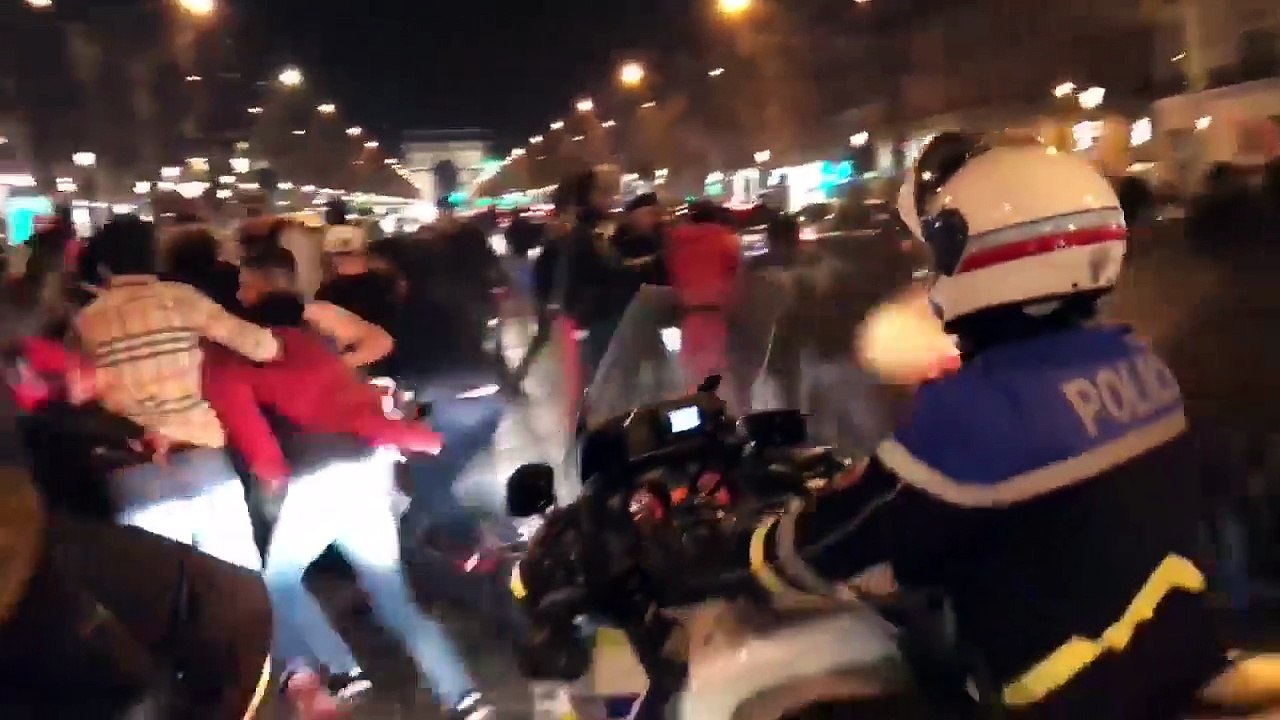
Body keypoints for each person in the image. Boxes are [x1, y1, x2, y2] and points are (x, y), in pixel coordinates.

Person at [573, 134, 1236, 718]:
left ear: (991, 257)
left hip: (1060, 693)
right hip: (1167, 661)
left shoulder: (984, 407)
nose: (933, 273)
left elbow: (843, 536)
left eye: (943, 250)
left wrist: (730, 553)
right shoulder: (1134, 359)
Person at [205, 246, 494, 720]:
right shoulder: (319, 347)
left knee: (276, 583)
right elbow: (359, 395)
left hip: (318, 482)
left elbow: (259, 447)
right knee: (395, 599)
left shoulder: (233, 363)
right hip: (364, 472)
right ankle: (463, 696)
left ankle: (342, 667)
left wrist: (276, 479)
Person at [73, 215, 279, 570]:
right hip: (205, 461)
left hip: (135, 470)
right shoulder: (181, 299)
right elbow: (263, 347)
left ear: (104, 266)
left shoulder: (86, 321)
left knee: (160, 605)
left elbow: (78, 393)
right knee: (240, 595)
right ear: (156, 259)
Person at [666, 199, 741, 389]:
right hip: (715, 316)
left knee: (691, 377)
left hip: (689, 317)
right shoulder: (726, 241)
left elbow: (674, 275)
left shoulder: (678, 243)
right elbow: (737, 277)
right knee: (715, 378)